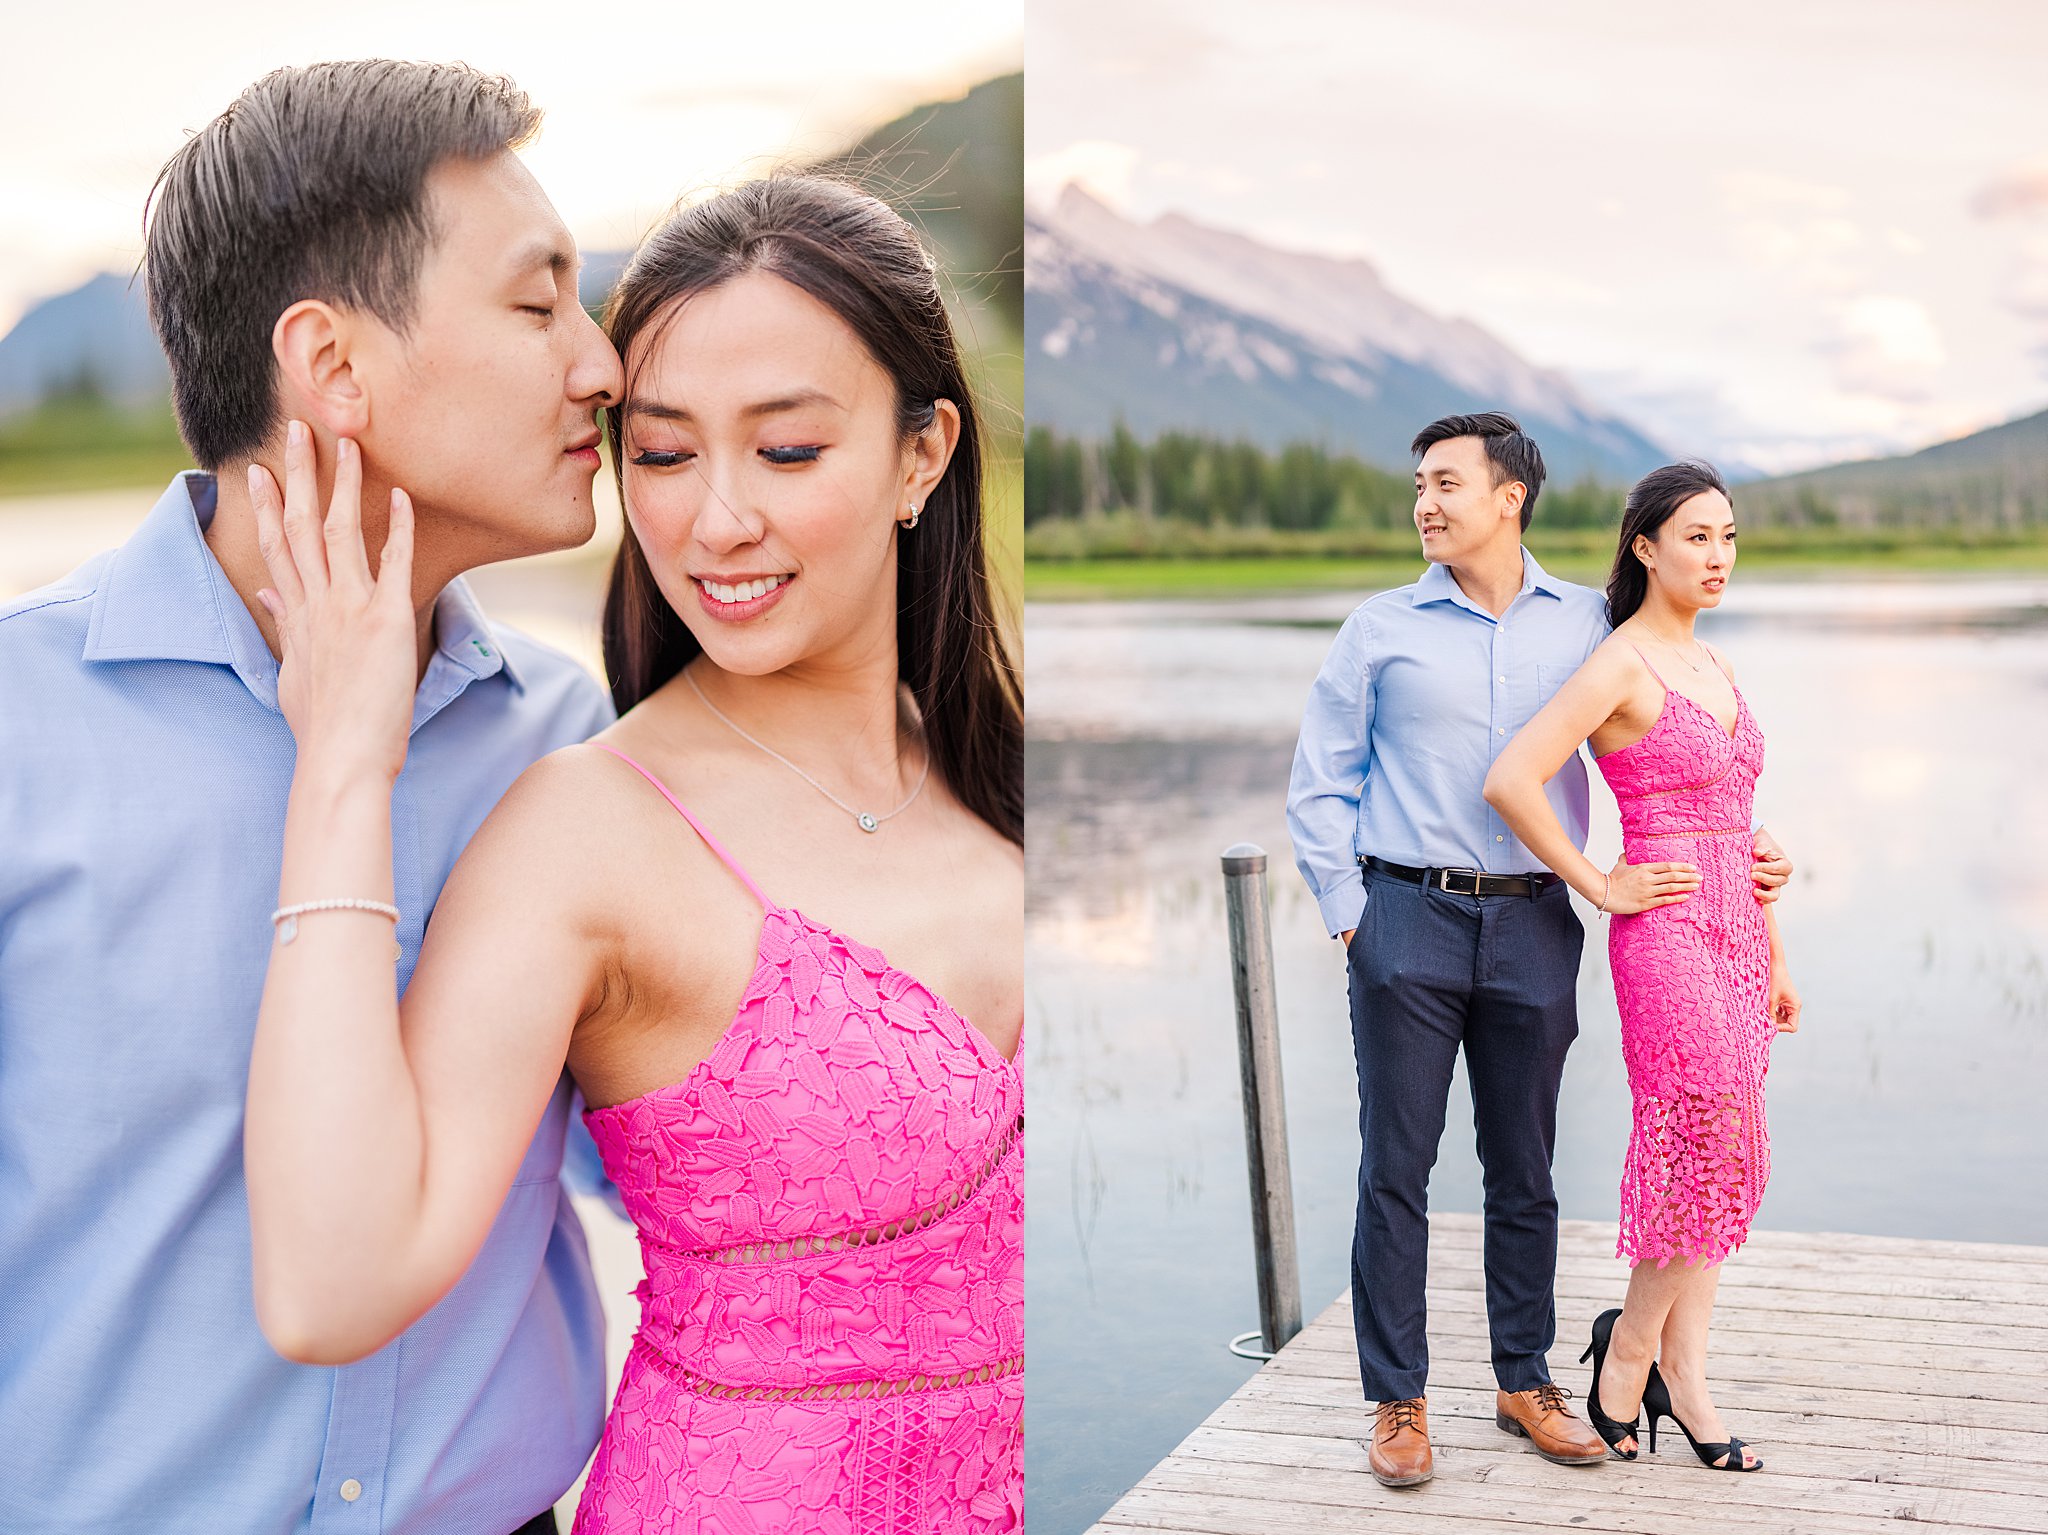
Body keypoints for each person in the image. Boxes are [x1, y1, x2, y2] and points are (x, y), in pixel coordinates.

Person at [241, 175, 1024, 1532]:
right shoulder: (585, 830)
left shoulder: (1006, 765)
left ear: (921, 453)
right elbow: (331, 1285)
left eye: (786, 451)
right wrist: (344, 760)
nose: (715, 520)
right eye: (660, 455)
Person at [0, 62, 622, 1533]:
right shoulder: (16, 726)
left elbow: (693, 1168)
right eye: (540, 308)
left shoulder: (566, 737)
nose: (601, 365)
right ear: (333, 367)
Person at [1286, 413, 1792, 1489]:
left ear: (1507, 497)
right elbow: (1318, 781)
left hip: (1532, 918)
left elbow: (1668, 745)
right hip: (1405, 912)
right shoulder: (1378, 627)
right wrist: (1350, 912)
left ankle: (1526, 1378)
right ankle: (1398, 1400)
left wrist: (1722, 857)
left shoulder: (1586, 624)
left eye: (1444, 483)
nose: (1424, 502)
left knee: (1523, 1169)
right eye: (1417, 483)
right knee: (1396, 1166)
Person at [1484, 460, 1800, 1472]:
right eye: (1696, 536)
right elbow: (1510, 777)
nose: (1716, 556)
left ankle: (1683, 1374)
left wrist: (1776, 934)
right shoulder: (1621, 662)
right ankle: (1627, 1354)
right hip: (1661, 931)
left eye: (1727, 536)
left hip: (1738, 934)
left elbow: (1740, 822)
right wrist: (1594, 879)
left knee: (1723, 1146)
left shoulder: (1718, 667)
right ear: (1644, 546)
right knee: (1695, 1138)